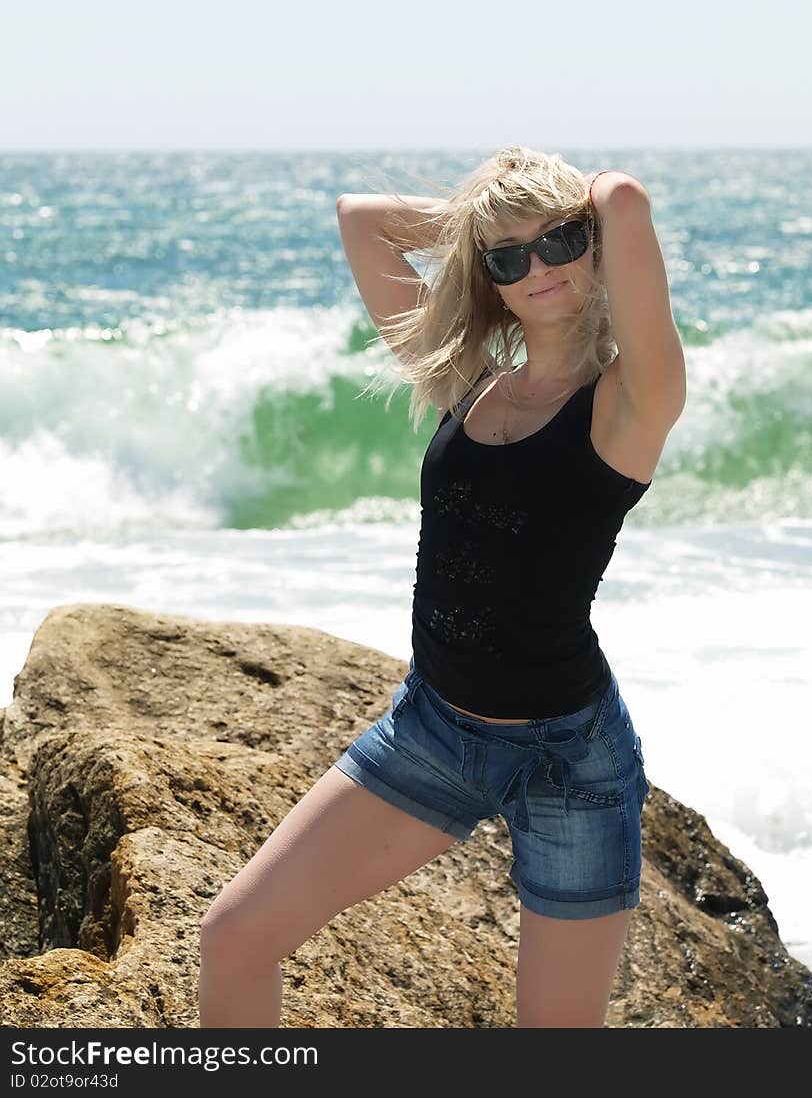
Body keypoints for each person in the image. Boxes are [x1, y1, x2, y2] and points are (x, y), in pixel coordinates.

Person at [199, 145, 686, 1029]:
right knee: (233, 937)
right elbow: (360, 217)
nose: (535, 267)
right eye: (506, 256)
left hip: (568, 761)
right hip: (432, 728)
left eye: (558, 242)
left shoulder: (631, 400)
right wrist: (486, 223)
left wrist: (566, 205)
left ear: (592, 243)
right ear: (486, 276)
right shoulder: (466, 380)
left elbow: (626, 198)